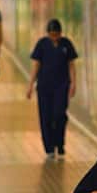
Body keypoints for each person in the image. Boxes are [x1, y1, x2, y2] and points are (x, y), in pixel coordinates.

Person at [26, 19, 78, 157]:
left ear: (60, 33)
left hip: (61, 86)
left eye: (57, 34)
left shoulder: (66, 44)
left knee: (59, 114)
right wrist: (30, 85)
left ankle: (59, 143)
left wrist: (73, 83)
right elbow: (36, 66)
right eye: (52, 35)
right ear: (48, 34)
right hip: (44, 86)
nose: (54, 37)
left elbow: (71, 65)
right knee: (46, 116)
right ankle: (49, 147)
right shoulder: (42, 44)